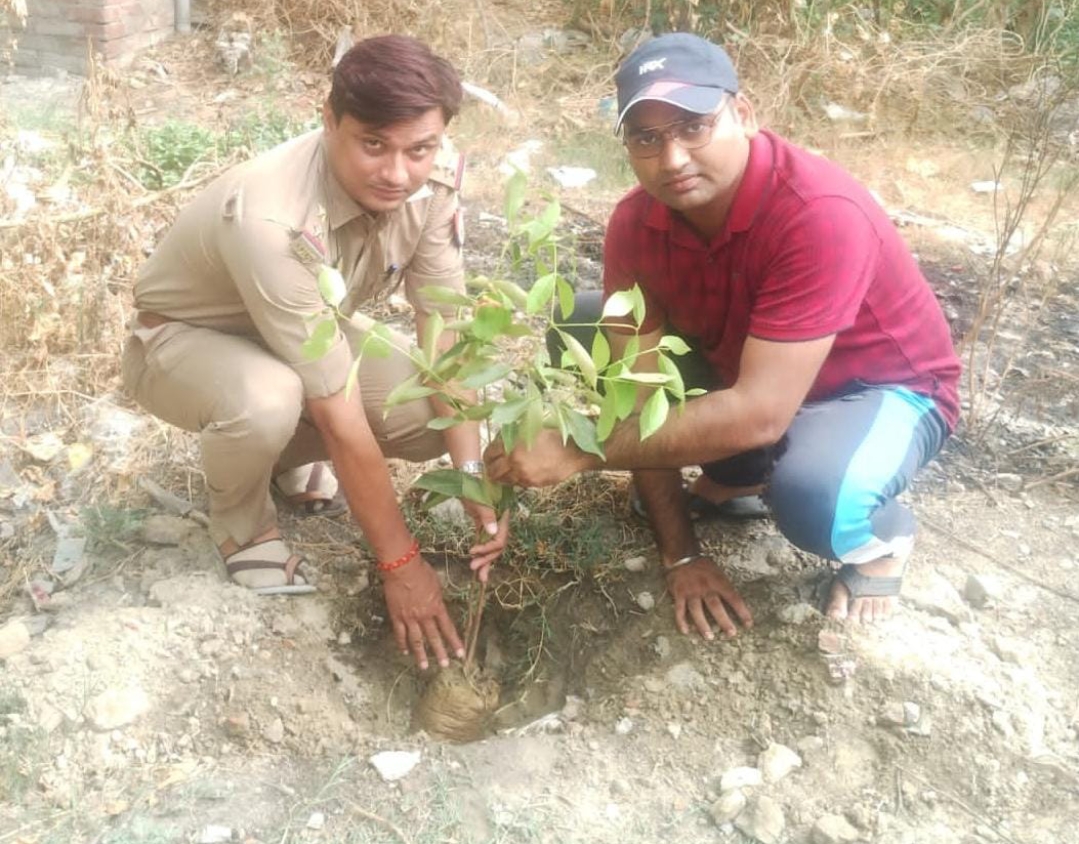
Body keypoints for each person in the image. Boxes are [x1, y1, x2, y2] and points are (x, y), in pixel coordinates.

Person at [485, 32, 960, 638]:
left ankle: (884, 542)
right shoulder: (635, 224)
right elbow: (636, 393)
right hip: (749, 369)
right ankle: (740, 475)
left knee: (816, 499)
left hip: (875, 390)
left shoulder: (818, 213)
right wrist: (681, 555)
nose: (672, 159)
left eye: (693, 127)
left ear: (744, 115)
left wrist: (581, 451)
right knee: (581, 324)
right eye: (646, 138)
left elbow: (759, 413)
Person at [121, 35, 508, 671]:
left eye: (419, 149)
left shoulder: (435, 182)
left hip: (301, 330)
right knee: (269, 398)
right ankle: (242, 526)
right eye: (373, 144)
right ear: (328, 119)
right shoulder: (273, 218)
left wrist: (472, 477)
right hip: (182, 342)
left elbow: (446, 337)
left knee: (423, 410)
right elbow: (337, 411)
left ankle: (275, 461)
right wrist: (401, 564)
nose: (397, 173)